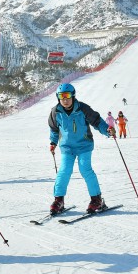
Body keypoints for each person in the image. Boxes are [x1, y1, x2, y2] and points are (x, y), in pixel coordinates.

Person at [48, 83, 114, 215]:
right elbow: (54, 129)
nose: (65, 100)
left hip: (84, 145)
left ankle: (96, 199)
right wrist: (53, 142)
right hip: (67, 147)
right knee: (64, 171)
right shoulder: (56, 112)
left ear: (73, 96)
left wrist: (107, 130)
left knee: (85, 169)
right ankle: (59, 200)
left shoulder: (83, 109)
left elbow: (97, 121)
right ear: (58, 98)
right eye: (62, 97)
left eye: (67, 96)